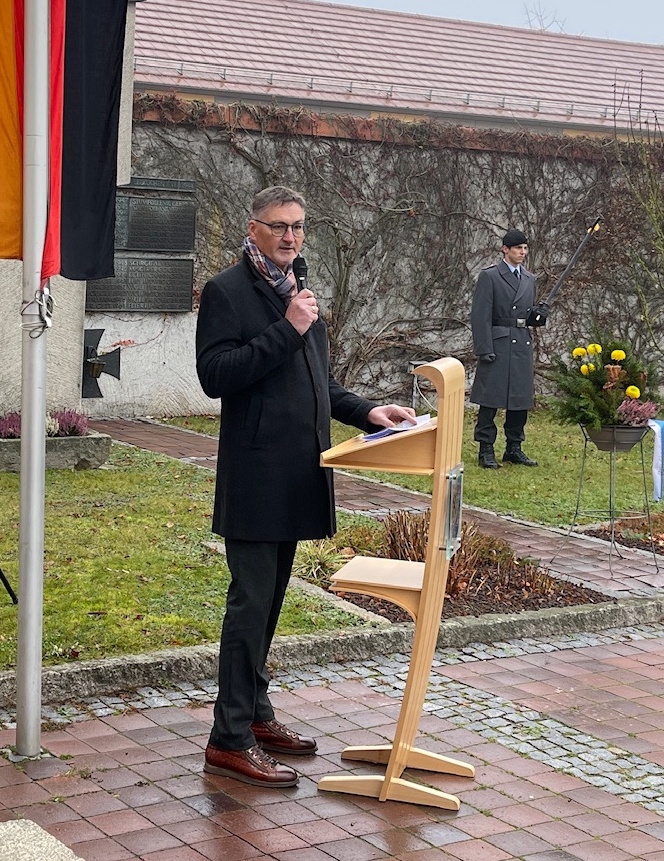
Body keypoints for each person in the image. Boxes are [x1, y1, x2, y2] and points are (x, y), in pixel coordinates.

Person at [195, 186, 415, 789]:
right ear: (254, 229)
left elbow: (319, 381)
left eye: (298, 227)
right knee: (248, 606)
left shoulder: (300, 292)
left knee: (268, 607)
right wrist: (286, 331)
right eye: (279, 227)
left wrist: (369, 412)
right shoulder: (227, 292)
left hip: (299, 474)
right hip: (256, 477)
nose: (291, 237)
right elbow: (215, 377)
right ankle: (228, 738)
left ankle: (256, 715)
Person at [470, 228, 539, 469]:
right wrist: (484, 347)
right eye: (518, 248)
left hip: (521, 343)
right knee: (490, 399)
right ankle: (485, 448)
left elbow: (526, 313)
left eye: (524, 248)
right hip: (498, 343)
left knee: (519, 400)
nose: (522, 252)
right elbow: (480, 315)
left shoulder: (529, 279)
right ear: (505, 250)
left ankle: (514, 447)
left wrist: (537, 316)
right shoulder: (490, 276)